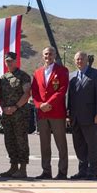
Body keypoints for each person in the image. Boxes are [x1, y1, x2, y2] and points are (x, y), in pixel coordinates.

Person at [67, 51, 97, 180]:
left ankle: (92, 172)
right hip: (75, 118)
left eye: (81, 59)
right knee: (79, 146)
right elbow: (69, 97)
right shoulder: (71, 76)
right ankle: (82, 171)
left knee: (92, 146)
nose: (79, 61)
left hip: (91, 117)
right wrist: (68, 114)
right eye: (77, 59)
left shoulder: (96, 74)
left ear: (86, 60)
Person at [31, 46, 69, 180]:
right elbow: (34, 91)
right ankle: (46, 171)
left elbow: (62, 90)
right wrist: (40, 105)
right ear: (43, 56)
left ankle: (62, 172)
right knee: (44, 144)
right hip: (42, 113)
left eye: (51, 54)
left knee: (61, 144)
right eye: (46, 54)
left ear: (55, 56)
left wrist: (49, 104)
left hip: (57, 113)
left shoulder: (62, 70)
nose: (48, 56)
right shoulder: (37, 72)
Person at [0, 52, 32, 178]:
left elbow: (26, 94)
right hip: (7, 115)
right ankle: (13, 167)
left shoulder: (23, 76)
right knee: (9, 141)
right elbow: (0, 96)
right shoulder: (3, 78)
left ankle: (23, 168)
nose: (9, 63)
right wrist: (4, 108)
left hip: (20, 114)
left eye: (11, 60)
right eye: (7, 61)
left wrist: (15, 107)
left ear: (16, 61)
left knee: (21, 140)